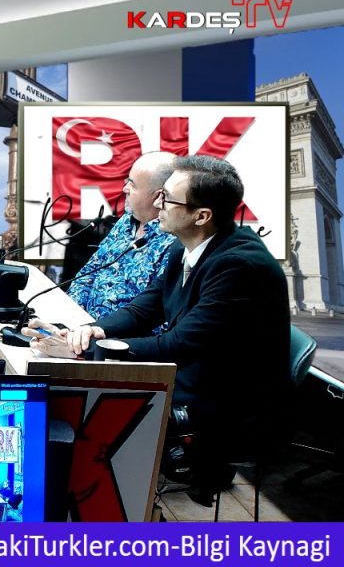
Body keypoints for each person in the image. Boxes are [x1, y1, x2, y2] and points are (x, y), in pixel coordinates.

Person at [25, 154, 290, 504]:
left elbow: (176, 345)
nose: (158, 204)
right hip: (193, 379)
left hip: (224, 410)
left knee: (74, 402)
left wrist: (88, 351)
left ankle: (106, 509)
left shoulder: (239, 265)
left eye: (168, 198)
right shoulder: (188, 246)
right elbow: (144, 310)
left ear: (201, 216)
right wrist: (88, 332)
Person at [66, 151, 177, 320]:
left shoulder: (175, 242)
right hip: (82, 325)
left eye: (132, 184)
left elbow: (158, 316)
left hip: (119, 333)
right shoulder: (126, 221)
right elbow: (89, 273)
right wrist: (73, 317)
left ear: (159, 196)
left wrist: (97, 330)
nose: (125, 189)